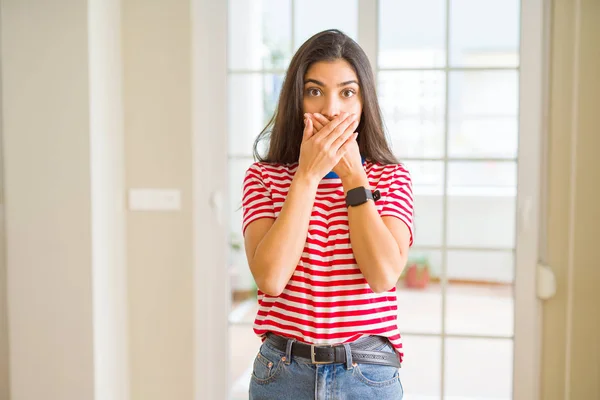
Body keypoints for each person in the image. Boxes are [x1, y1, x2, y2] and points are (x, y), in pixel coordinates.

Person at [241, 29, 414, 400]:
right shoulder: (264, 178)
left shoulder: (392, 178)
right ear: (297, 99)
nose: (331, 109)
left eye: (347, 92)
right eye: (315, 91)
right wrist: (306, 176)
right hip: (282, 375)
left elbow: (383, 275)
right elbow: (270, 278)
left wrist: (354, 178)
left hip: (367, 376)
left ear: (364, 101)